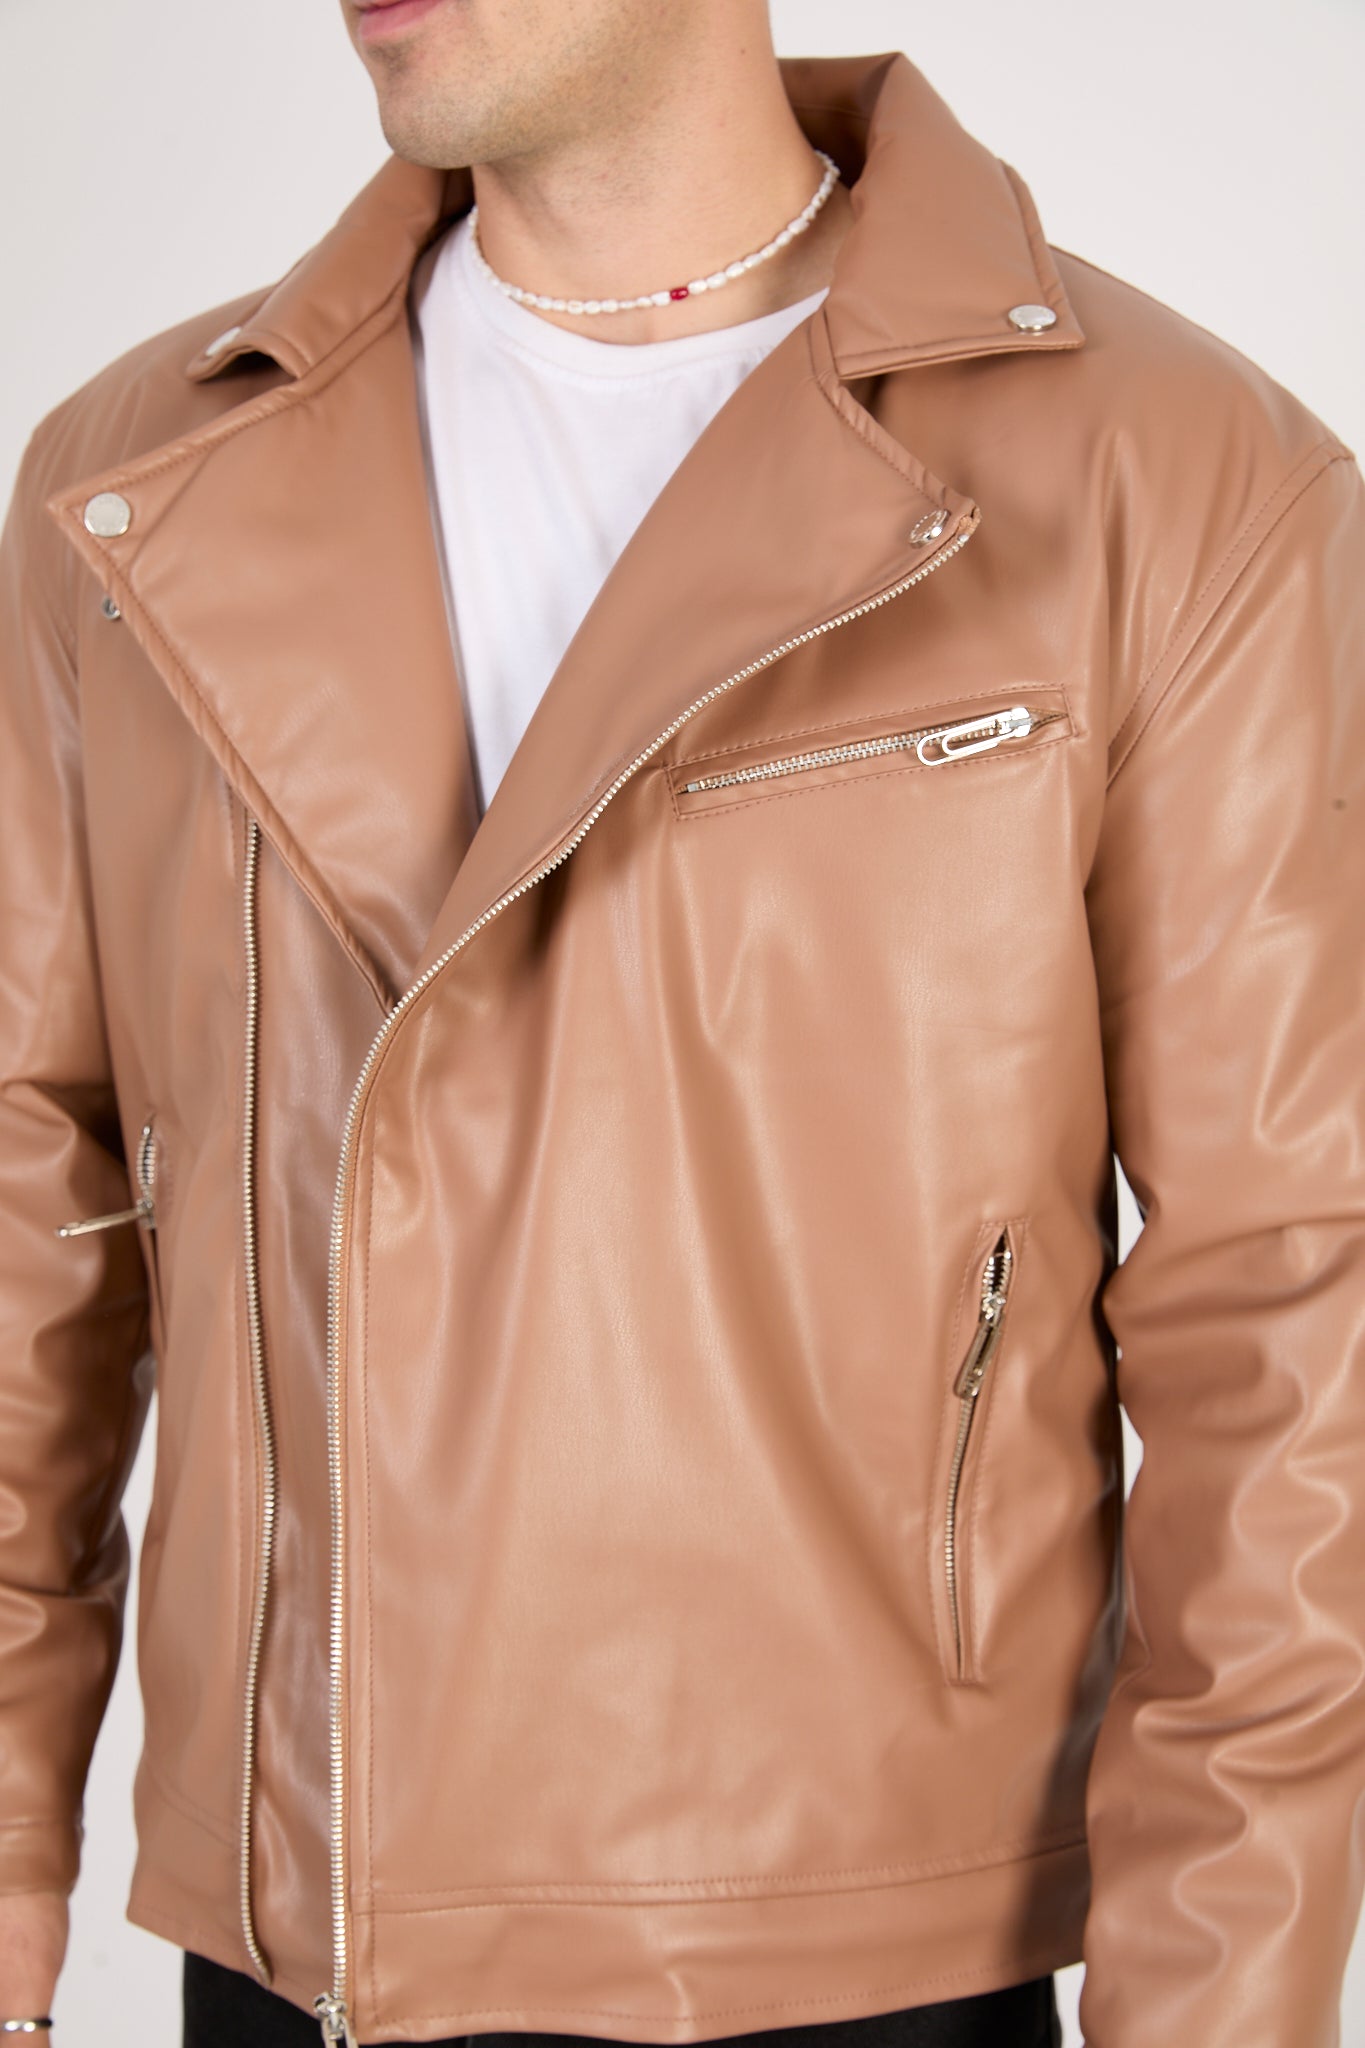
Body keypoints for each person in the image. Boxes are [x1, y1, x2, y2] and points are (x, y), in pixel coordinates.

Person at [1, 0, 1362, 2043]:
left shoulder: (1173, 475)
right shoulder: (130, 484)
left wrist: (1219, 2004)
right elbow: (33, 1195)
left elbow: (1290, 1317)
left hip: (869, 1948)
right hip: (307, 1942)